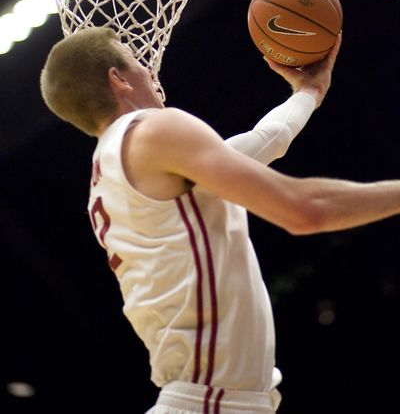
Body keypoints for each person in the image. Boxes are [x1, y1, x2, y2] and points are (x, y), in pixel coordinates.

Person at [40, 26, 400, 414]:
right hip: (209, 400)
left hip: (211, 399)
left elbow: (268, 139)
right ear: (119, 79)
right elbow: (305, 209)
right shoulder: (152, 131)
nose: (149, 70)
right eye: (136, 61)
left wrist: (309, 91)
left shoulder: (117, 167)